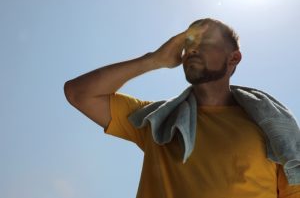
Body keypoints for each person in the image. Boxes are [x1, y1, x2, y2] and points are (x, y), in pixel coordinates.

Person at [64, 18, 300, 198]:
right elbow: (79, 93)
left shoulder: (271, 130)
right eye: (189, 44)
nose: (193, 49)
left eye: (206, 42)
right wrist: (154, 60)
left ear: (233, 59)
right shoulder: (157, 122)